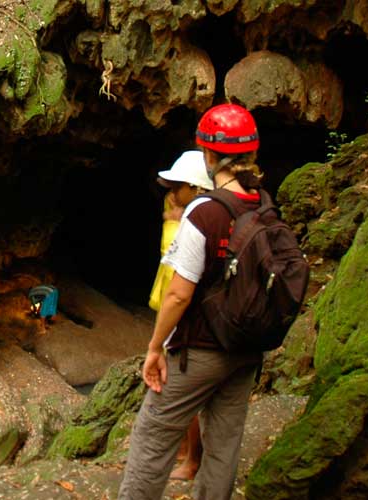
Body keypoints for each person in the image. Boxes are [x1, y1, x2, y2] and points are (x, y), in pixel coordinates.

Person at [119, 103, 267, 500]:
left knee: (153, 434)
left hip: (201, 346)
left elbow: (180, 291)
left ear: (209, 155)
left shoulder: (205, 212)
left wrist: (156, 348)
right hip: (248, 346)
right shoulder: (263, 205)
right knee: (225, 444)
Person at [147, 150, 212, 481]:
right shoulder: (202, 216)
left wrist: (171, 227)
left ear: (194, 187)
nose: (170, 191)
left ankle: (191, 459)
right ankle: (189, 454)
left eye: (176, 185)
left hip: (185, 321)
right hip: (186, 318)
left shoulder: (192, 225)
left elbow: (175, 276)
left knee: (180, 392)